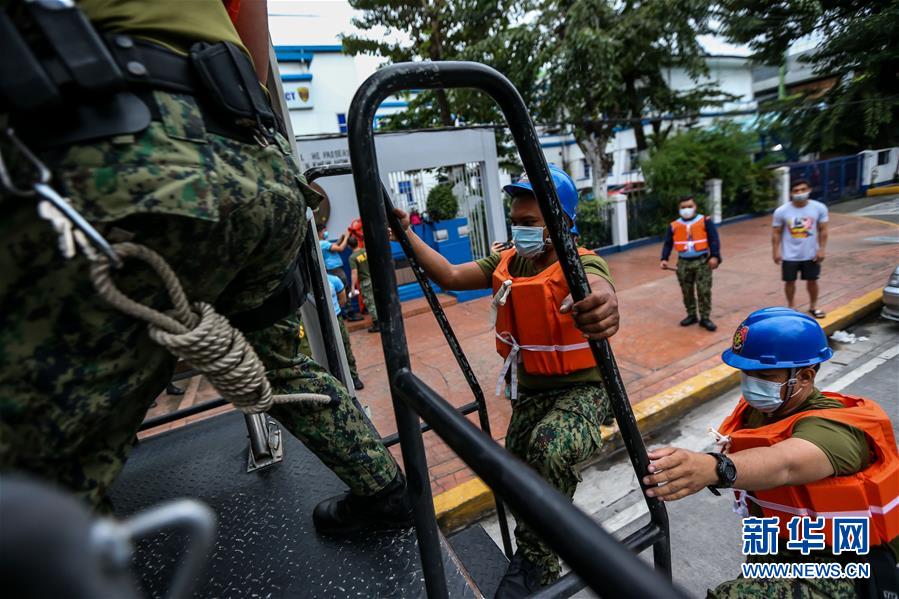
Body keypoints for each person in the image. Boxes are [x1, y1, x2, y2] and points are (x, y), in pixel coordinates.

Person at [0, 0, 409, 535]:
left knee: (45, 441)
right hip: (257, 161)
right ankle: (386, 492)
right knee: (284, 364)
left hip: (122, 156)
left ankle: (70, 558)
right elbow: (253, 46)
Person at [393, 165, 620, 597]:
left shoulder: (581, 262)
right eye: (516, 221)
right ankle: (535, 550)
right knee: (514, 473)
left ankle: (535, 565)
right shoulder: (507, 261)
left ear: (561, 223)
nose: (521, 231)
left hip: (585, 390)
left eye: (531, 223)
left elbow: (600, 288)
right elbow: (450, 276)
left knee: (550, 446)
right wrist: (405, 234)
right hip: (531, 390)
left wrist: (604, 305)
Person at [641, 308, 898, 598]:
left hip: (839, 562)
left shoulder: (836, 429)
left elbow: (785, 464)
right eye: (746, 373)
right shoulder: (762, 411)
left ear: (804, 377)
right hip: (777, 546)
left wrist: (714, 468)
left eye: (763, 375)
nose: (751, 383)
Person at [660, 195, 721, 331]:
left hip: (702, 261)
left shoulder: (705, 221)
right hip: (683, 263)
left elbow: (714, 240)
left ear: (695, 207)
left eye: (689, 206)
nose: (686, 209)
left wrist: (715, 256)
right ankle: (691, 315)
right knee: (686, 291)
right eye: (683, 207)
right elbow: (668, 243)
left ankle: (705, 318)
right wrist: (664, 258)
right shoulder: (674, 225)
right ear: (679, 209)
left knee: (703, 290)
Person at [773, 179, 829, 319]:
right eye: (796, 190)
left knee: (812, 280)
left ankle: (814, 306)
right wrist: (776, 251)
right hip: (789, 255)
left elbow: (823, 230)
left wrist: (822, 249)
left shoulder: (819, 208)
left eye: (803, 189)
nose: (799, 193)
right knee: (789, 281)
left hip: (811, 254)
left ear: (809, 190)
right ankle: (791, 307)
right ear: (791, 193)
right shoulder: (781, 211)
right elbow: (776, 232)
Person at [327, 273, 364, 391]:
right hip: (320, 320)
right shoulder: (310, 282)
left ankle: (354, 377)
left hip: (336, 318)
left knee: (345, 346)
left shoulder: (334, 280)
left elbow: (342, 299)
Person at [348, 236, 379, 333]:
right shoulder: (366, 250)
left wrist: (353, 287)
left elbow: (354, 272)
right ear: (357, 242)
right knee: (377, 300)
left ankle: (377, 324)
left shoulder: (352, 258)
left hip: (366, 282)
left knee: (370, 303)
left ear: (349, 246)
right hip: (375, 278)